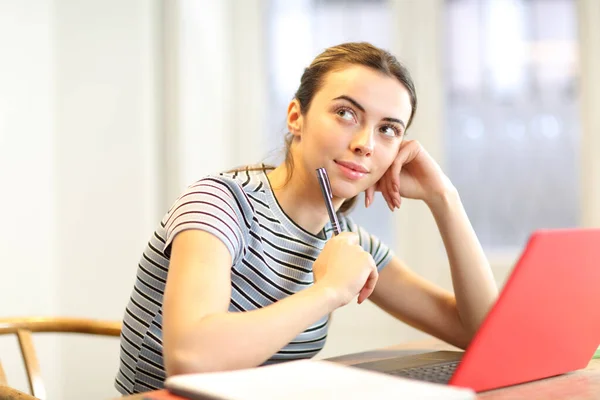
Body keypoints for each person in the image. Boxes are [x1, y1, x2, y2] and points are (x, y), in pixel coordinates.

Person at [115, 42, 498, 395]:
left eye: (388, 130)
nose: (365, 143)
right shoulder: (221, 203)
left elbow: (484, 333)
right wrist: (329, 291)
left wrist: (445, 198)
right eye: (346, 113)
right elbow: (192, 360)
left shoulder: (345, 238)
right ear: (296, 116)